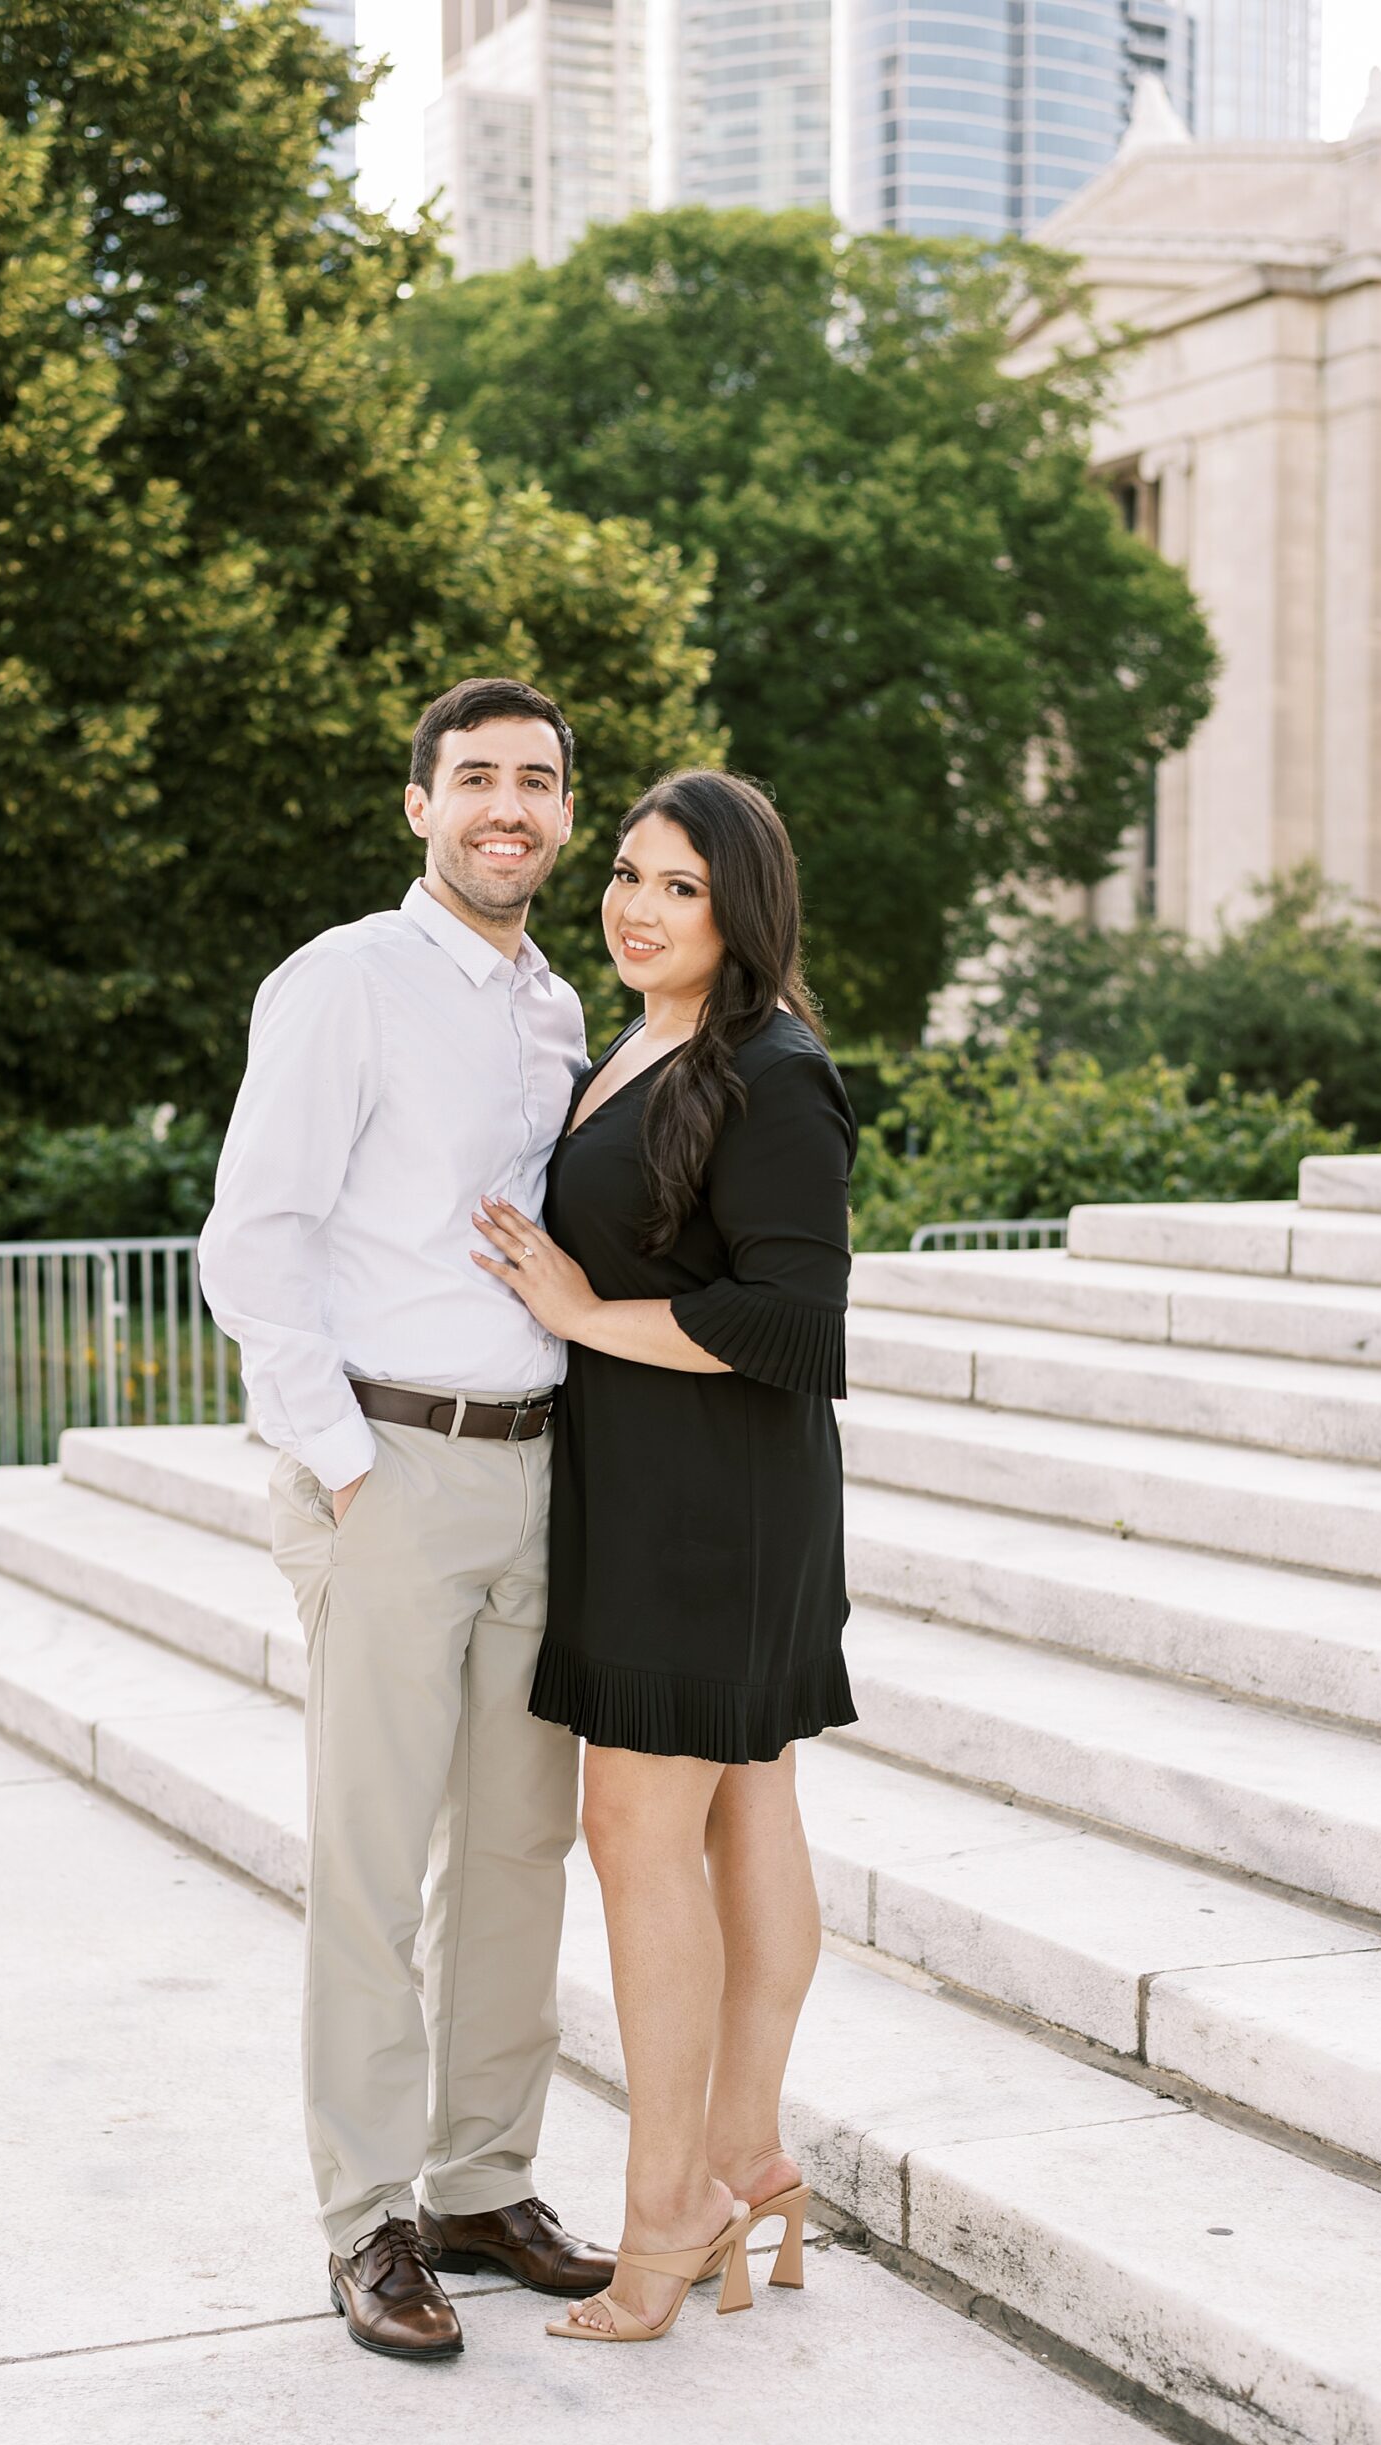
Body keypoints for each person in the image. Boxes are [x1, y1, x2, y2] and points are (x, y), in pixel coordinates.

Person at [198, 676, 616, 2363]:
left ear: (565, 814)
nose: (508, 807)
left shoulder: (555, 1004)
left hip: (539, 1469)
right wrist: (339, 1457)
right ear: (419, 806)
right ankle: (366, 2216)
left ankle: (479, 2183)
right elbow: (254, 1235)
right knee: (374, 1860)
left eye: (537, 782)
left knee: (517, 1849)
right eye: (476, 779)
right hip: (390, 1462)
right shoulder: (345, 980)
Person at [472, 768, 857, 2345]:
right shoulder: (637, 1043)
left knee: (637, 1833)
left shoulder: (775, 1070)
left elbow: (794, 1320)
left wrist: (578, 1313)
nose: (636, 906)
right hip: (655, 1487)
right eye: (626, 873)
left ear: (741, 908)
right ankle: (743, 2159)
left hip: (711, 1502)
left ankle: (660, 2216)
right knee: (744, 1804)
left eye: (679, 886)